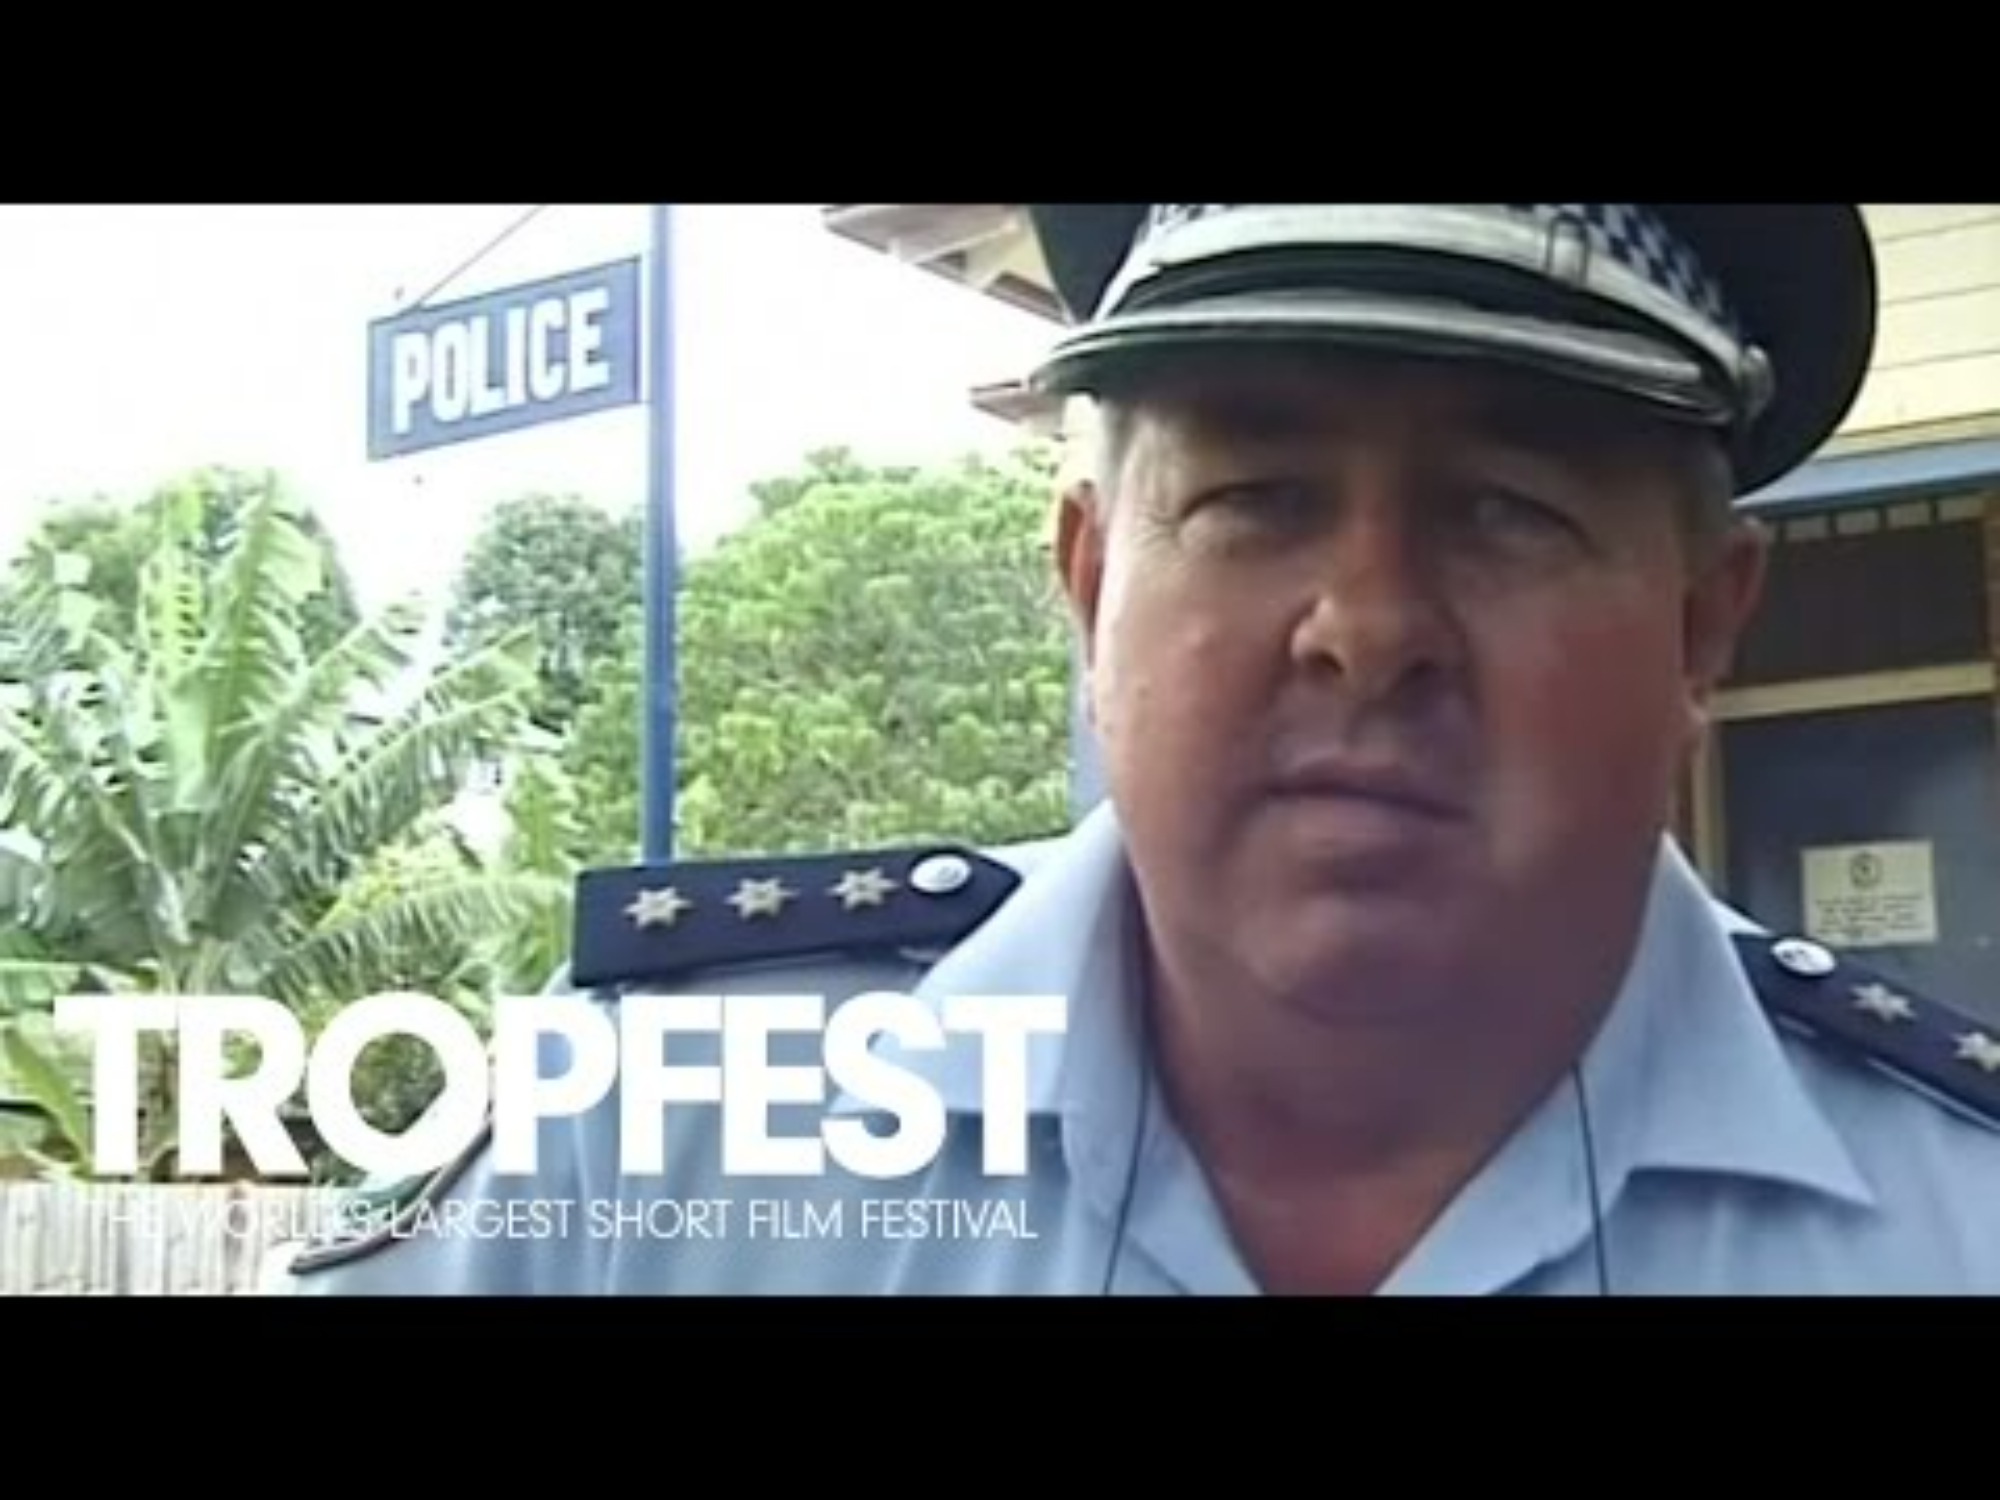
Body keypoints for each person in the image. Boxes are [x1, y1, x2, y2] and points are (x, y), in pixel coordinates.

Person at [287, 203, 2000, 1296]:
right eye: (1257, 498)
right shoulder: (649, 1148)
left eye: (1507, 508)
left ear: (1701, 624)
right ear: (1092, 578)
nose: (1365, 626)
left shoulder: (1957, 1222)